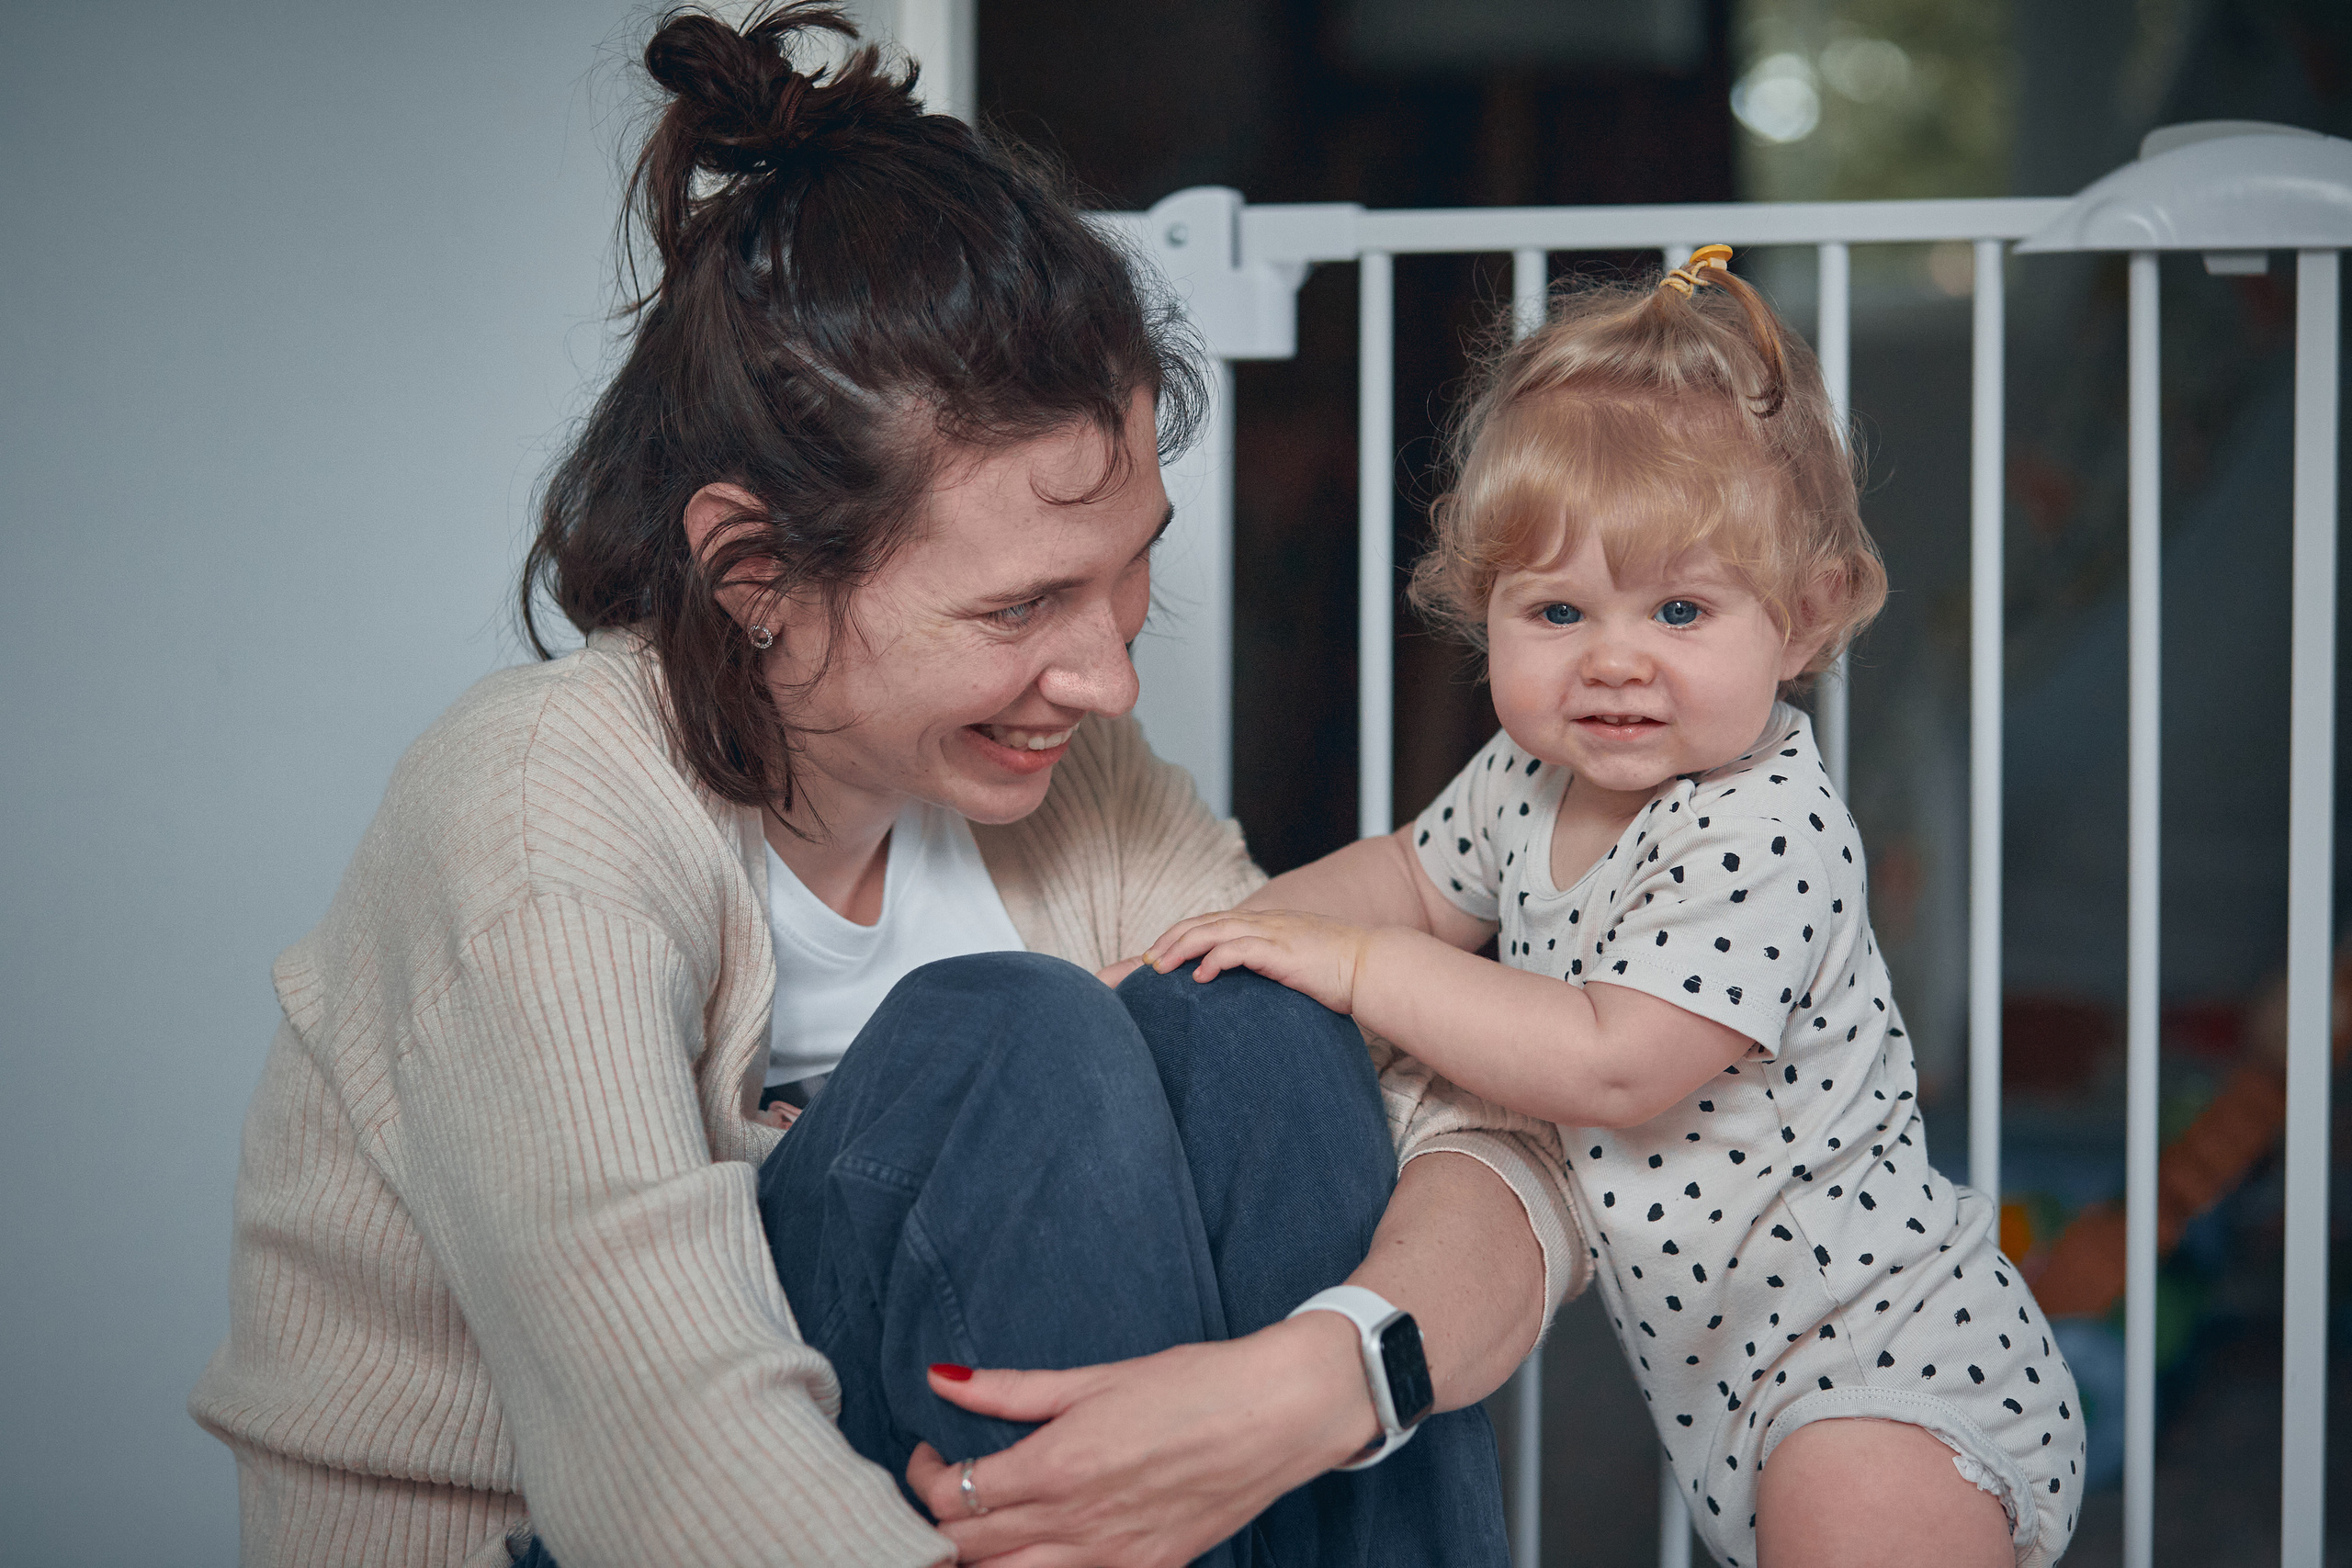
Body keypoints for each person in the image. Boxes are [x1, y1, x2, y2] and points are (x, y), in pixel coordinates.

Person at [188, 6, 1583, 1566]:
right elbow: (673, 1460)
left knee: (1264, 1030)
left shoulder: (1082, 788)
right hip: (598, 1535)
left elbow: (1480, 1146)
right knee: (1016, 1039)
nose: (1109, 679)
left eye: (1129, 577)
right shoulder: (535, 817)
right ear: (753, 572)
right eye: (1016, 610)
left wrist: (1327, 1378)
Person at [1145, 248, 2085, 1568]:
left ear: (1805, 621)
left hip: (1884, 1359)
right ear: (1488, 615)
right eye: (1560, 609)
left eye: (1683, 608)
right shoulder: (1532, 777)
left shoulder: (1769, 830)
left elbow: (1610, 1059)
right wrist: (1232, 940)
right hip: (1726, 1387)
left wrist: (1356, 968)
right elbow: (1413, 880)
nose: (1616, 661)